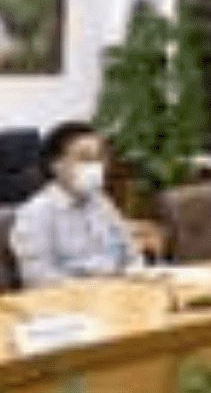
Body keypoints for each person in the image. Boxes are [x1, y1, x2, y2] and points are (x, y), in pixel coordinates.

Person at [10, 121, 141, 289]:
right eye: (84, 158)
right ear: (56, 165)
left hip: (119, 290)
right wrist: (93, 287)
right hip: (72, 297)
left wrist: (134, 275)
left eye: (99, 158)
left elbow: (132, 255)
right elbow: (38, 277)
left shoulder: (101, 203)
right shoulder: (36, 212)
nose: (95, 166)